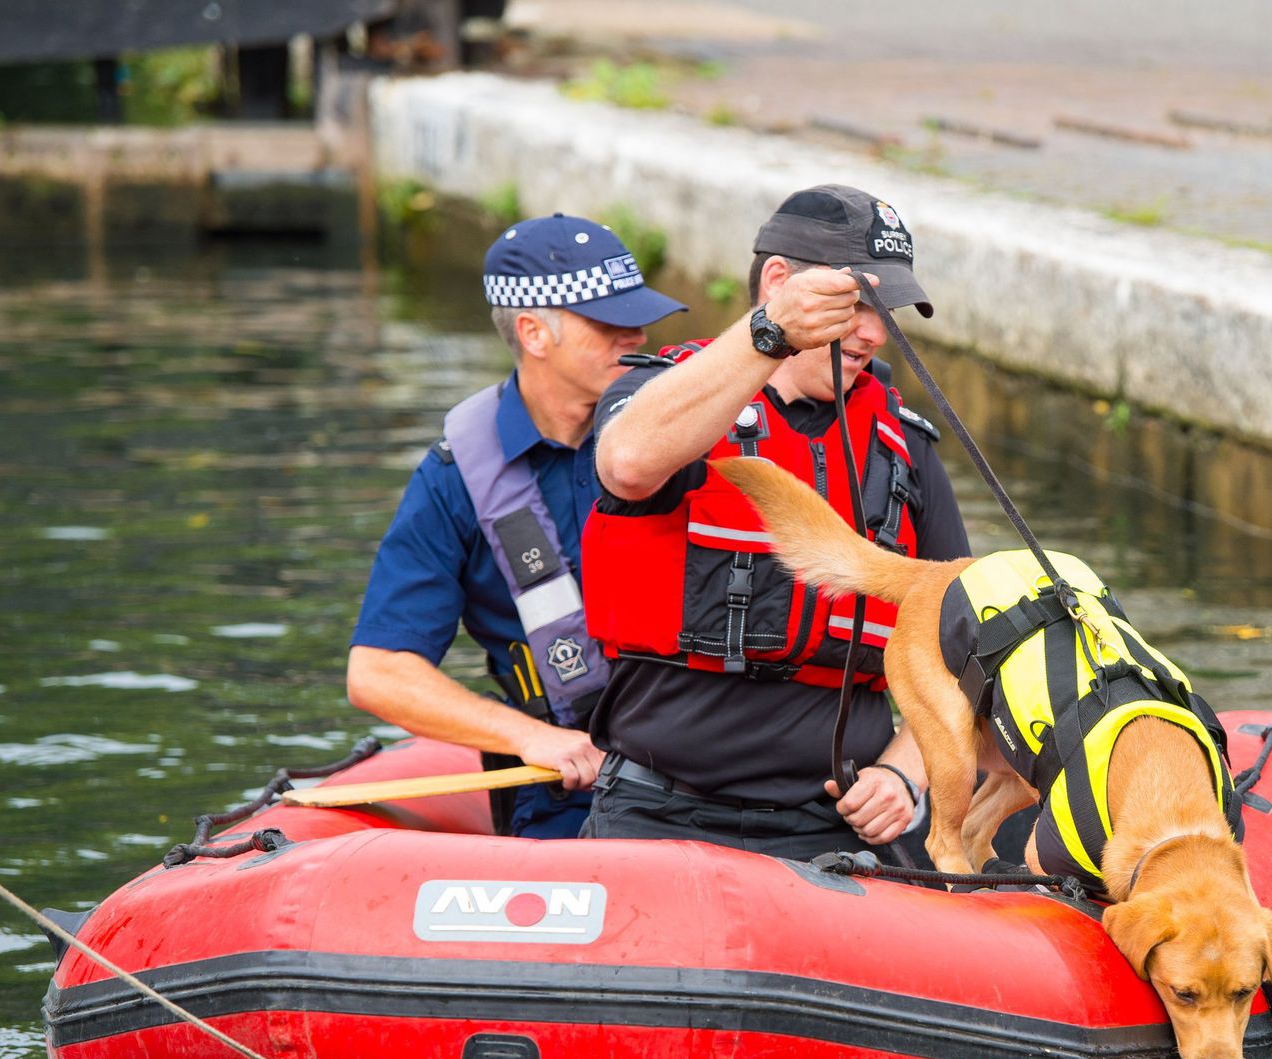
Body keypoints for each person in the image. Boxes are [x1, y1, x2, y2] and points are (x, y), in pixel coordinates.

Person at [581, 184, 971, 856]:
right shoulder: (659, 396)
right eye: (858, 304)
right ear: (780, 282)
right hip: (658, 813)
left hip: (829, 825)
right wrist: (770, 331)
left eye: (889, 311)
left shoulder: (906, 447)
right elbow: (627, 464)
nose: (876, 333)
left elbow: (967, 647)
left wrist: (905, 772)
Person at [347, 213, 685, 838]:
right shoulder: (456, 477)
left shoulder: (690, 432)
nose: (636, 336)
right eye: (609, 323)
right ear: (533, 332)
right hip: (565, 793)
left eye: (639, 318)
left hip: (711, 775)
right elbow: (377, 671)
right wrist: (532, 737)